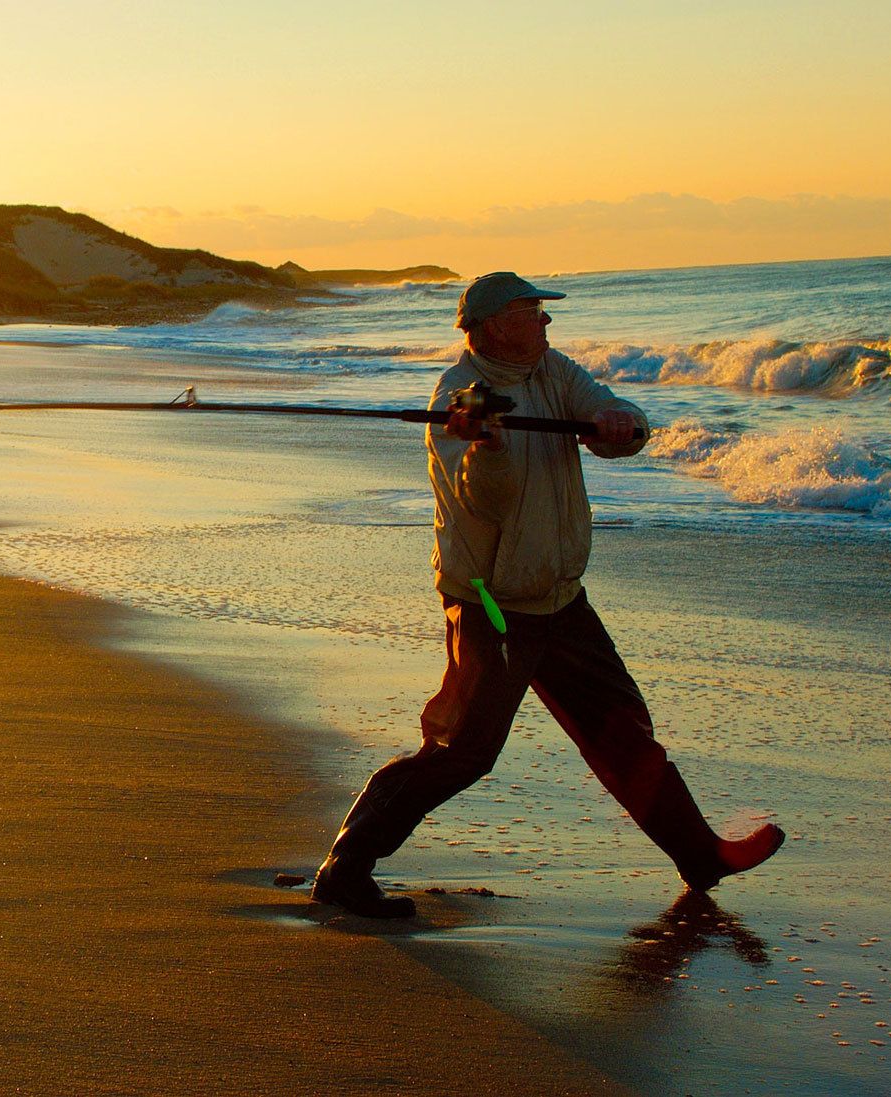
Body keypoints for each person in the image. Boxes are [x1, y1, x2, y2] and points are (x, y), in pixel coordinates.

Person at [310, 272, 784, 919]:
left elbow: (616, 421)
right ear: (496, 322)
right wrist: (488, 446)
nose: (546, 322)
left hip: (561, 597)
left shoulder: (552, 373)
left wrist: (619, 426)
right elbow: (488, 499)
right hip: (493, 603)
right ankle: (346, 864)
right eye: (533, 311)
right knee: (464, 750)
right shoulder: (456, 400)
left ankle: (698, 852)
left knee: (622, 730)